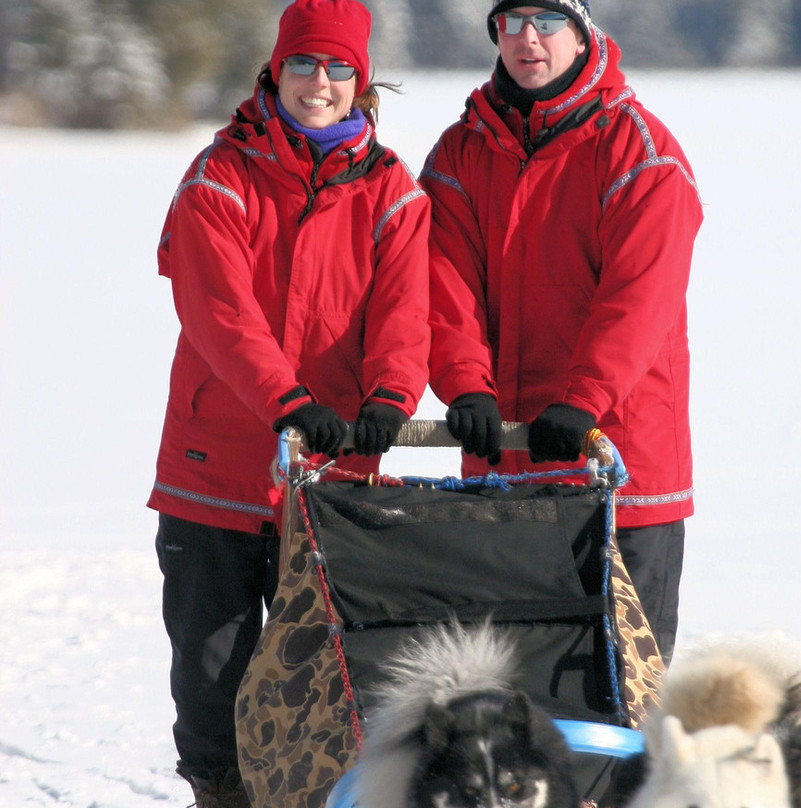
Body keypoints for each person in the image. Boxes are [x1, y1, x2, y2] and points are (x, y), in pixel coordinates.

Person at [147, 0, 430, 804]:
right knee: (212, 678)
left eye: (340, 68)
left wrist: (390, 396)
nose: (320, 83)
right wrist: (288, 401)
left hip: (331, 478)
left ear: (361, 82)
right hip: (217, 466)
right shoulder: (221, 175)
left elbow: (408, 316)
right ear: (275, 70)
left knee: (334, 682)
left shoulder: (391, 191)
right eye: (304, 63)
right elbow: (218, 311)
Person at [423, 0, 702, 666]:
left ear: (581, 33)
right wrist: (466, 388)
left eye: (547, 22)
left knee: (625, 688)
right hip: (507, 465)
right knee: (515, 692)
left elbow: (639, 299)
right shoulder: (460, 152)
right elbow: (441, 286)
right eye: (511, 23)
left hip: (618, 465)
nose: (528, 39)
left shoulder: (641, 150)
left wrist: (583, 400)